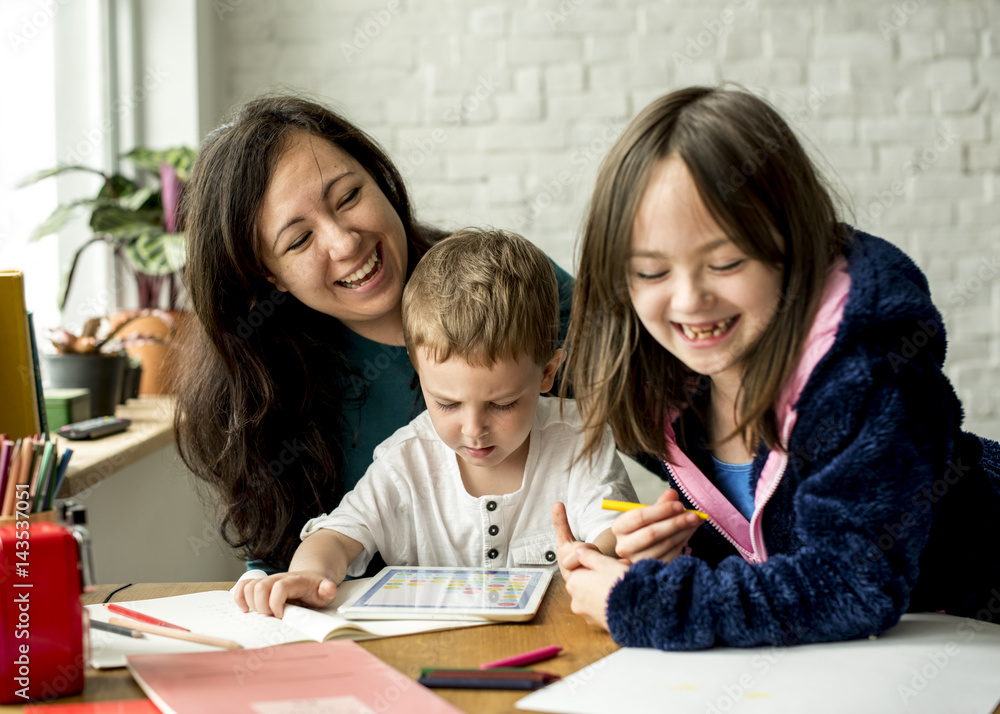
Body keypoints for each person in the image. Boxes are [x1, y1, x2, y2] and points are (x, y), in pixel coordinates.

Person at [556, 85, 1000, 650]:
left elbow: (854, 584)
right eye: (650, 272)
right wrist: (669, 552)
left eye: (725, 263)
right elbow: (769, 547)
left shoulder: (868, 369)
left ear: (790, 242)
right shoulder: (663, 381)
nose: (690, 301)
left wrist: (647, 601)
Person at [173, 96, 573, 573]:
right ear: (267, 275)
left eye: (348, 198)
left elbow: (665, 439)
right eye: (299, 240)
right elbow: (282, 566)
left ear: (379, 180)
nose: (344, 243)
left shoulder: (516, 293)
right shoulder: (264, 391)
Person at [233, 228, 636, 616]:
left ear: (547, 373)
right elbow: (337, 536)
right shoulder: (405, 462)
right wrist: (309, 575)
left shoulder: (580, 438)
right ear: (419, 371)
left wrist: (594, 557)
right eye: (447, 403)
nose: (473, 428)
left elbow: (618, 527)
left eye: (502, 404)